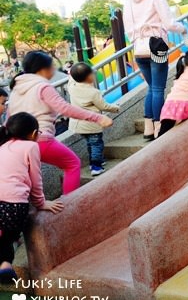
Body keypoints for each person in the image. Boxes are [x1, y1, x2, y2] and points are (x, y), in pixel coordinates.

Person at [7, 52, 113, 195]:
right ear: (42, 69)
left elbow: (9, 118)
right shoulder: (42, 87)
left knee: (26, 179)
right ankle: (69, 205)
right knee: (72, 164)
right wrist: (98, 118)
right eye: (52, 66)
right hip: (40, 138)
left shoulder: (16, 89)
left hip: (16, 142)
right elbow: (65, 108)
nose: (54, 70)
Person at [123, 0, 186, 139]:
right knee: (158, 88)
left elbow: (128, 27)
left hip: (139, 48)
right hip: (156, 45)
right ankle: (160, 126)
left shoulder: (128, 0)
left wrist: (137, 38)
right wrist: (182, 29)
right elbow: (169, 23)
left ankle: (148, 128)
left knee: (151, 87)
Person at [0, 112, 64, 283]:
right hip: (13, 206)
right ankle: (5, 265)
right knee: (8, 236)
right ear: (34, 133)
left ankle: (4, 264)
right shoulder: (31, 147)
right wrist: (41, 203)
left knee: (4, 237)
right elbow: (35, 179)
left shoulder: (2, 146)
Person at [67, 63, 120, 176]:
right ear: (89, 77)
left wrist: (71, 73)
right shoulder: (93, 92)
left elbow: (71, 80)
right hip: (91, 125)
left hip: (78, 125)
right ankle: (96, 166)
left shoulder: (72, 87)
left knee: (90, 144)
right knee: (96, 144)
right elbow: (103, 106)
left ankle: (94, 162)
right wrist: (116, 108)